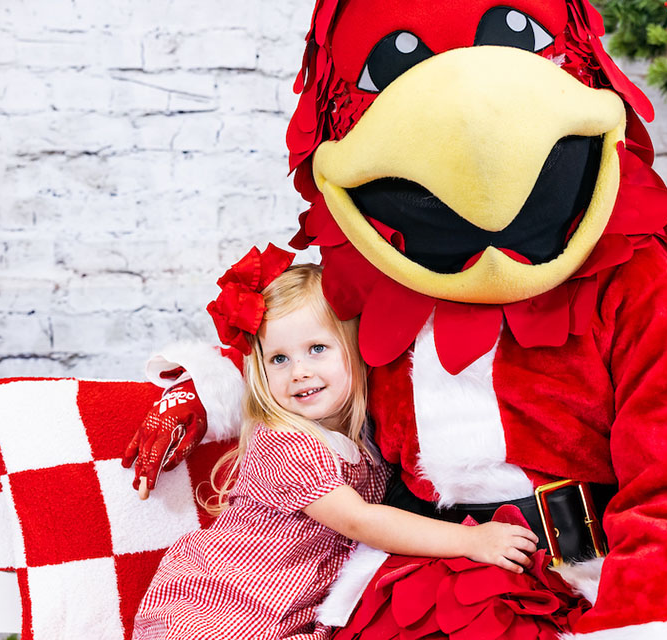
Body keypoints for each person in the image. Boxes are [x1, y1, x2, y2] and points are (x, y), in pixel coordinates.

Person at [132, 246, 539, 640]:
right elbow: (360, 521)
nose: (299, 372)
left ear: (354, 349)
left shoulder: (363, 440)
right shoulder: (285, 442)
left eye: (317, 349)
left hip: (288, 614)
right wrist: (470, 540)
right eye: (279, 359)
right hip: (223, 607)